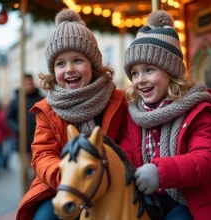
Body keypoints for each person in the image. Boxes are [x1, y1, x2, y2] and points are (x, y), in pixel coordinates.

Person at [120, 10, 211, 220]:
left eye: (149, 69)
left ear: (172, 72)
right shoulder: (135, 114)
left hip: (191, 199)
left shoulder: (198, 111)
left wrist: (160, 172)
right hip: (151, 197)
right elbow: (127, 151)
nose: (140, 79)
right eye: (134, 73)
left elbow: (206, 159)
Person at [16, 9, 128, 220]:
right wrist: (67, 176)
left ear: (93, 66)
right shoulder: (47, 110)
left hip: (109, 181)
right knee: (45, 217)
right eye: (60, 63)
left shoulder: (116, 100)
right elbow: (42, 153)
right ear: (53, 71)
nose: (69, 69)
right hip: (62, 185)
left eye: (77, 60)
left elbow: (128, 142)